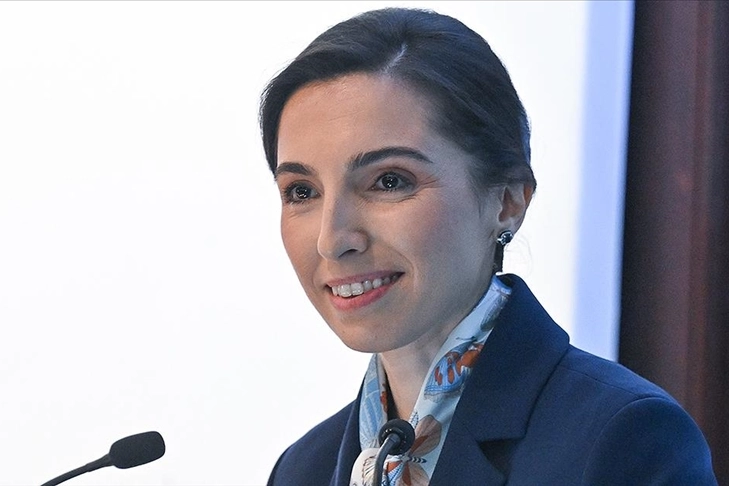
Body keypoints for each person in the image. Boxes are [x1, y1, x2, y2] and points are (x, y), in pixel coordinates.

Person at [259, 7, 717, 486]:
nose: (332, 240)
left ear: (508, 201)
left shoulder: (624, 440)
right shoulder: (303, 469)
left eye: (389, 181)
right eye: (302, 192)